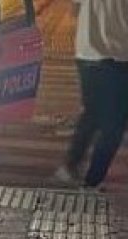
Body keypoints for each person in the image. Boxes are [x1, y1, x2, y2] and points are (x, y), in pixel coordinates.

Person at [54, 0, 128, 189]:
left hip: (87, 52)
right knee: (114, 127)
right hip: (118, 55)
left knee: (92, 113)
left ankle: (70, 167)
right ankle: (92, 182)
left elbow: (74, 10)